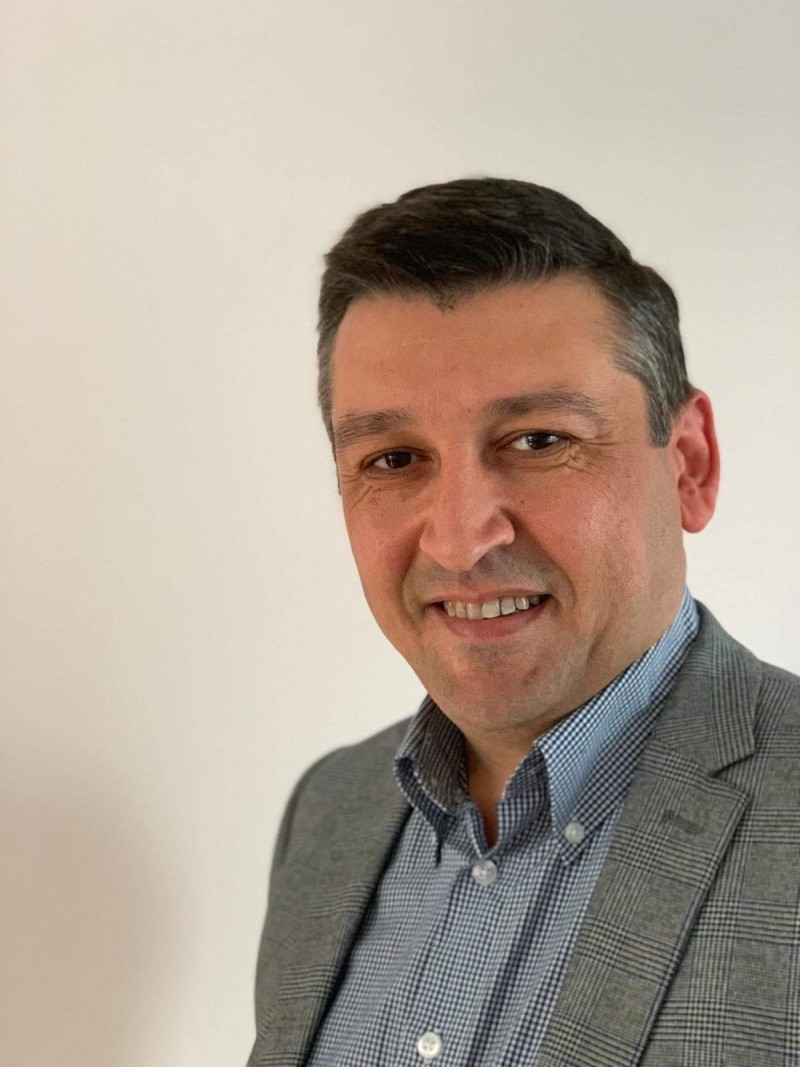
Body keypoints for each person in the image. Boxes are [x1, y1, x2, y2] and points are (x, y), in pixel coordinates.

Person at [248, 178, 800, 1067]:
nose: (462, 539)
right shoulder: (328, 815)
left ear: (689, 465)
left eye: (540, 440)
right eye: (394, 458)